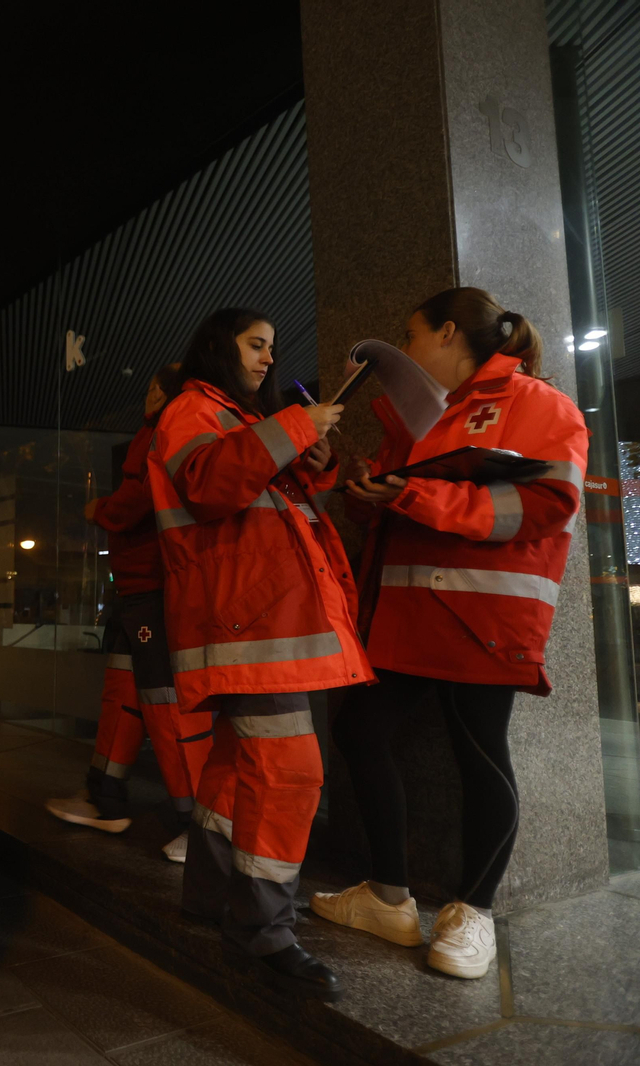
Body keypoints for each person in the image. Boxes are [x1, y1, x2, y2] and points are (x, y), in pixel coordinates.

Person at [312, 288, 587, 980]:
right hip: (409, 615)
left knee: (479, 754)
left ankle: (475, 911)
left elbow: (548, 503)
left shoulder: (540, 404)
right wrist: (370, 494)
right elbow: (407, 503)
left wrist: (411, 493)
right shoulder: (420, 416)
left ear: (447, 333)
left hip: (482, 614)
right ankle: (389, 897)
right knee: (360, 732)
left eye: (411, 333)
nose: (404, 348)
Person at [148, 308, 372, 1001]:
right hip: (247, 625)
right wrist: (298, 428)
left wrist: (314, 461)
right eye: (256, 345)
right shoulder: (193, 407)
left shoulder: (233, 417)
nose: (270, 359)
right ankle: (263, 930)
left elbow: (259, 495)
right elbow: (214, 485)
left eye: (273, 348)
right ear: (217, 345)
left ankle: (212, 896)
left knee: (235, 766)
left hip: (255, 624)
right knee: (291, 771)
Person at [45, 369, 214, 861]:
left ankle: (198, 825)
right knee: (126, 694)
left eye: (156, 387)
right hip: (141, 586)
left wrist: (101, 509)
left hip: (157, 586)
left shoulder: (169, 428)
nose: (151, 394)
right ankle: (105, 796)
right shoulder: (164, 428)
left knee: (164, 704)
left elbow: (138, 500)